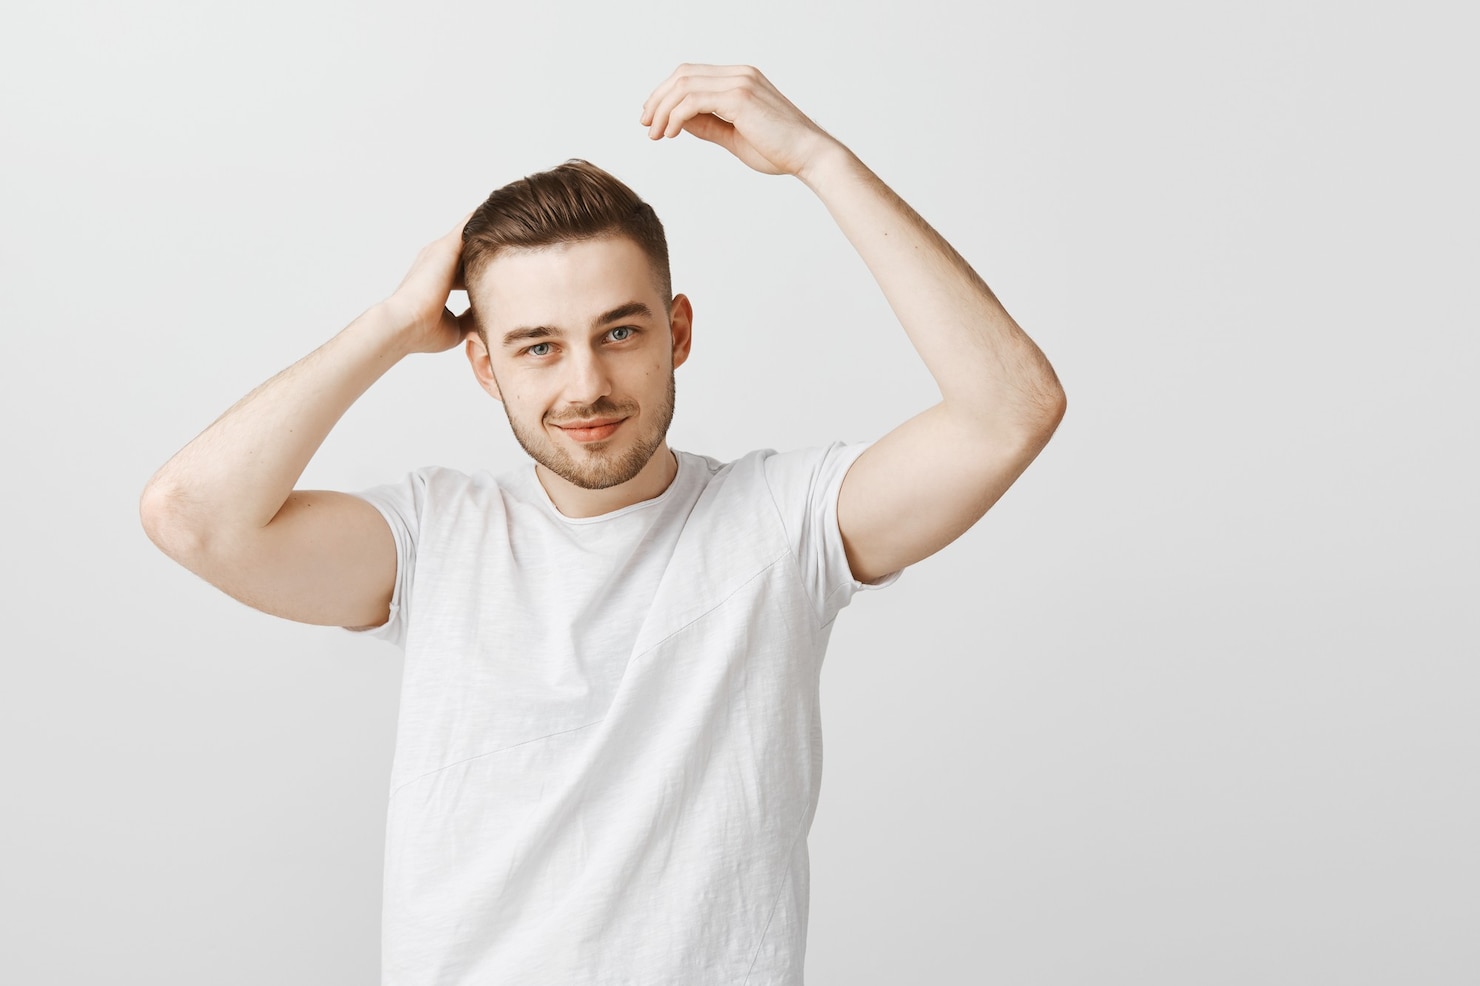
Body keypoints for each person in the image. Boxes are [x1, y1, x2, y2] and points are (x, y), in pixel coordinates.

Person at [140, 63, 1066, 985]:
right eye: (537, 346)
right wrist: (389, 321)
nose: (585, 384)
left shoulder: (783, 525)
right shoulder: (435, 539)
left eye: (619, 332)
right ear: (484, 369)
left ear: (680, 333)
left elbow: (1010, 411)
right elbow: (191, 517)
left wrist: (820, 161)